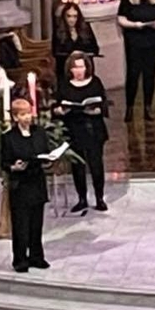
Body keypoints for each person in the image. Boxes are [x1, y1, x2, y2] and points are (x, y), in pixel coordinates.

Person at [52, 51, 109, 213]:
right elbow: (56, 106)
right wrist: (59, 111)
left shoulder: (95, 82)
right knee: (77, 165)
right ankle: (82, 198)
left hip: (93, 128)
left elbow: (103, 104)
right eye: (75, 68)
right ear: (70, 69)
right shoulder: (64, 84)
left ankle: (99, 198)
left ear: (87, 67)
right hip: (73, 128)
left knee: (96, 164)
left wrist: (97, 110)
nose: (78, 71)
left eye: (81, 67)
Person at [1, 99, 52, 272]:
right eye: (23, 114)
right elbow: (4, 162)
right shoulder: (9, 137)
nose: (27, 117)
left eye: (29, 113)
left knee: (36, 224)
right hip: (20, 186)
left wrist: (48, 162)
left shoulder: (39, 132)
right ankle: (20, 260)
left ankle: (37, 257)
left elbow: (44, 153)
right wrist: (13, 167)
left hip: (37, 182)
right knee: (21, 225)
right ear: (15, 117)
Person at [52, 1, 99, 77]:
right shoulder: (58, 31)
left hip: (84, 68)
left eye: (75, 16)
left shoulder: (86, 29)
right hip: (65, 70)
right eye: (69, 16)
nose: (72, 20)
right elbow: (56, 52)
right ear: (64, 16)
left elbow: (95, 49)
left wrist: (81, 54)